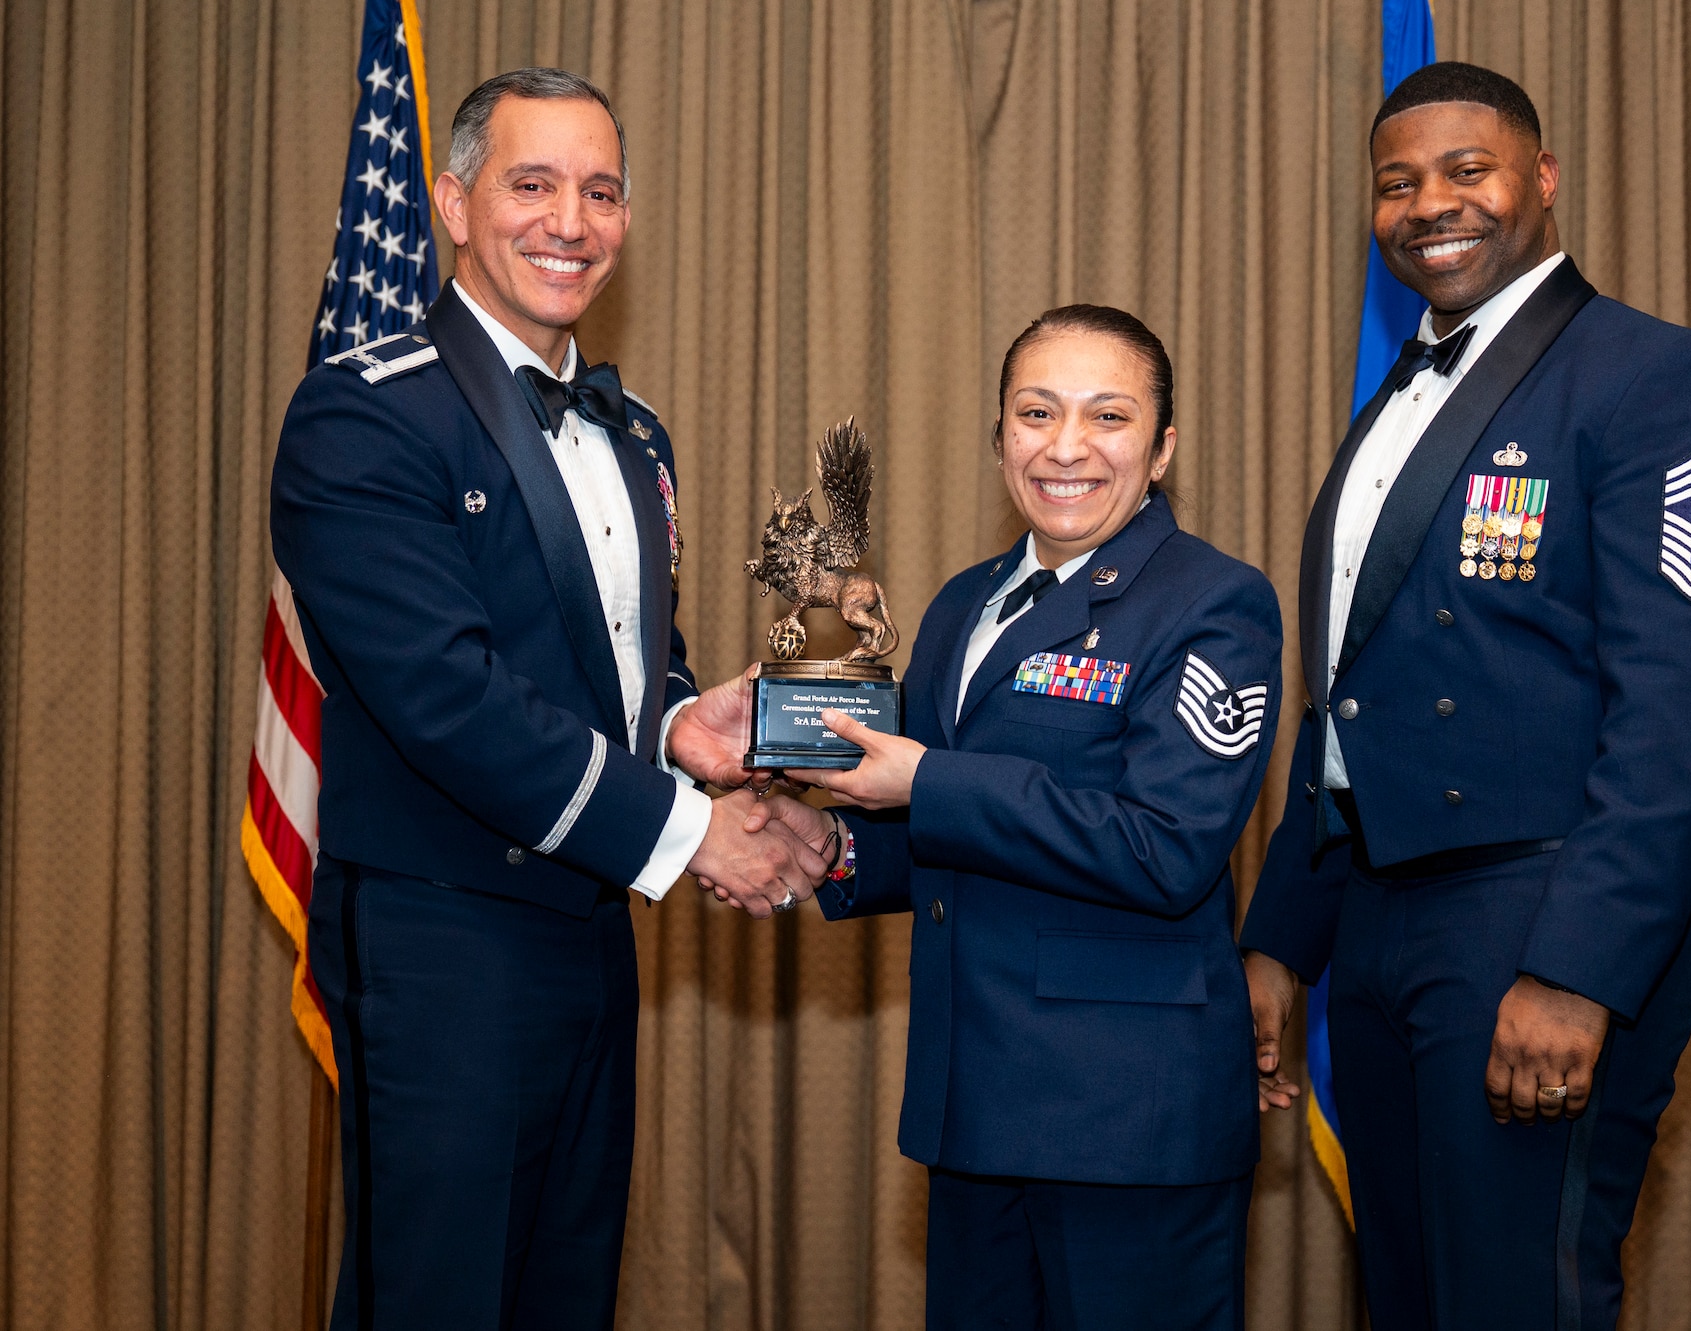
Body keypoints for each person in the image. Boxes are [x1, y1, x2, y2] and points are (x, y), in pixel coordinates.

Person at [271, 68, 830, 1330]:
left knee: (563, 1288)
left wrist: (683, 723)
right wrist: (694, 833)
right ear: (452, 204)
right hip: (439, 931)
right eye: (532, 185)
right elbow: (447, 695)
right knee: (440, 1295)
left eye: (599, 191)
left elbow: (628, 653)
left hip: (586, 920)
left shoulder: (636, 432)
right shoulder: (363, 415)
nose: (569, 221)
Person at [1237, 63, 1691, 1330]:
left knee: (1511, 1299)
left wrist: (1576, 968)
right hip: (1372, 919)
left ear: (1538, 179)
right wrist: (1281, 933)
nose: (1430, 203)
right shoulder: (1393, 404)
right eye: (1396, 182)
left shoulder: (1663, 377)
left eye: (1464, 170)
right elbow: (1352, 690)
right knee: (1408, 1295)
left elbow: (1682, 714)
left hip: (1529, 916)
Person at [780, 306, 1283, 1328]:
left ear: (1161, 444)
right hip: (975, 1104)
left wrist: (925, 784)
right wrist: (823, 847)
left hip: (1125, 1124)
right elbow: (929, 817)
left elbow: (1164, 848)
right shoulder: (967, 601)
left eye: (1107, 415)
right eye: (1035, 411)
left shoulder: (1214, 602)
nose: (1065, 446)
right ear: (999, 434)